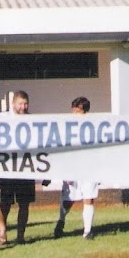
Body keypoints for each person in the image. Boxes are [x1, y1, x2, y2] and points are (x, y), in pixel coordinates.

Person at [54, 97, 100, 240]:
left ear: (85, 112)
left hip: (89, 168)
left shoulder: (93, 127)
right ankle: (61, 221)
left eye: (78, 111)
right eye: (73, 111)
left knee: (89, 198)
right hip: (72, 168)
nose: (74, 114)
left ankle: (87, 231)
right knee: (69, 200)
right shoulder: (67, 127)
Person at [0, 90, 34, 244]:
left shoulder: (32, 120)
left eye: (25, 104)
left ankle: (20, 236)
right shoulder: (2, 118)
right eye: (20, 104)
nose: (23, 107)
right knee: (5, 201)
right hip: (8, 166)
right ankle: (1, 226)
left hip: (25, 167)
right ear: (13, 104)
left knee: (24, 203)